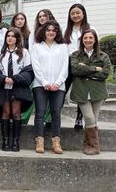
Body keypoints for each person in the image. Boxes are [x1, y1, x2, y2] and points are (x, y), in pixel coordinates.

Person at [70, 29, 110, 155]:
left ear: (95, 40)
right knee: (89, 117)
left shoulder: (103, 56)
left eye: (90, 38)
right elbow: (75, 70)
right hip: (81, 91)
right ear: (82, 40)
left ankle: (88, 145)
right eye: (85, 38)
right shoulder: (76, 55)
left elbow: (105, 73)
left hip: (97, 92)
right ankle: (95, 146)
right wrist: (94, 69)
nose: (88, 40)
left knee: (94, 119)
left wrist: (85, 70)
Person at [31, 21, 69, 154]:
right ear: (43, 31)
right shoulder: (36, 47)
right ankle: (39, 141)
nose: (51, 32)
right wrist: (45, 82)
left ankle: (56, 142)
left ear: (57, 32)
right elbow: (36, 67)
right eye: (48, 30)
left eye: (54, 30)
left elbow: (65, 67)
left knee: (56, 112)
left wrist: (57, 83)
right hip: (40, 85)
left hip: (59, 85)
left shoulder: (63, 47)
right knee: (40, 112)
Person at [0, 28, 33, 152]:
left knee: (15, 112)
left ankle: (15, 141)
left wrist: (15, 79)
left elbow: (28, 70)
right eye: (8, 36)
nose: (10, 38)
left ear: (17, 38)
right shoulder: (2, 52)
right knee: (5, 112)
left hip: (17, 86)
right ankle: (5, 140)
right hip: (5, 86)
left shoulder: (24, 52)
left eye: (13, 36)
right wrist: (4, 78)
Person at [64, 3, 94, 130]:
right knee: (62, 91)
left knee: (81, 93)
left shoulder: (90, 28)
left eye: (78, 13)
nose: (75, 15)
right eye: (72, 13)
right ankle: (52, 117)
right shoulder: (66, 31)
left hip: (83, 65)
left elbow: (93, 47)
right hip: (68, 65)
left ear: (83, 14)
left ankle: (79, 118)